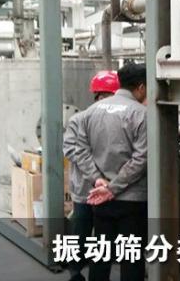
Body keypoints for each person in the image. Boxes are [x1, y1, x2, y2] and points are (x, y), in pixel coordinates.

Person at [75, 63, 148, 281]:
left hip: (100, 197)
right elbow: (141, 159)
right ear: (141, 87)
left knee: (101, 252)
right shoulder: (142, 114)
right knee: (131, 257)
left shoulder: (90, 112)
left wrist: (99, 181)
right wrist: (113, 188)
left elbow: (81, 152)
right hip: (132, 199)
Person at [63, 71, 120, 281]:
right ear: (99, 96)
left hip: (110, 189)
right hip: (86, 189)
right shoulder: (79, 120)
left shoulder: (120, 120)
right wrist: (96, 172)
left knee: (106, 235)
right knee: (81, 231)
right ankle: (75, 271)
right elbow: (71, 149)